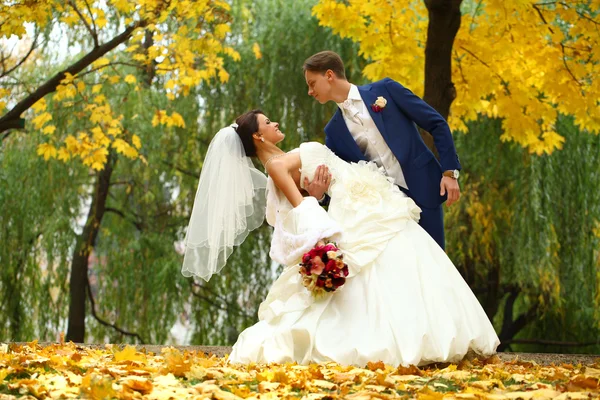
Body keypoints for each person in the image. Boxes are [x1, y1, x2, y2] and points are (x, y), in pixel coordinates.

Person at [182, 110, 499, 367]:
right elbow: (301, 206)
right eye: (268, 122)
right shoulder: (276, 165)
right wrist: (323, 229)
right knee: (386, 260)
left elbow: (311, 194)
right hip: (354, 205)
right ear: (257, 135)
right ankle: (409, 339)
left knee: (399, 257)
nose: (275, 123)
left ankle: (422, 335)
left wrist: (316, 196)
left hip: (363, 198)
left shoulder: (283, 158)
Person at [303, 51, 461, 250]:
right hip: (385, 211)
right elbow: (344, 182)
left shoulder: (386, 90)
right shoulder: (334, 132)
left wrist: (450, 172)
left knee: (437, 266)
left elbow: (437, 123)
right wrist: (320, 196)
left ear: (329, 75)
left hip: (425, 189)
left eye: (312, 83)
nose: (310, 91)